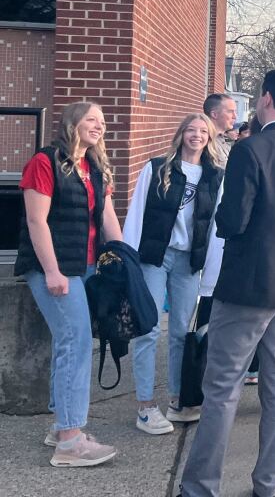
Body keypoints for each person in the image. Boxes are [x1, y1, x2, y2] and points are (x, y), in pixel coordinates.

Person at [180, 69, 275, 497]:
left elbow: (233, 221)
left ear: (266, 98)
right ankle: (268, 484)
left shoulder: (251, 150)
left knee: (221, 388)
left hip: (248, 284)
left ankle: (200, 486)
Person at [16, 101, 123, 467]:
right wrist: (52, 271)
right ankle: (70, 441)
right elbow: (36, 222)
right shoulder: (45, 162)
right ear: (72, 123)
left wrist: (123, 262)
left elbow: (108, 219)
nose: (99, 126)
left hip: (87, 264)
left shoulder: (94, 167)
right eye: (91, 119)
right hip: (54, 267)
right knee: (74, 342)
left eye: (103, 122)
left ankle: (62, 425)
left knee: (73, 342)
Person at [122, 114, 226, 435]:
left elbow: (216, 229)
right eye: (190, 130)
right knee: (148, 328)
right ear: (180, 134)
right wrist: (127, 260)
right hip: (154, 257)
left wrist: (210, 272)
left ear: (210, 137)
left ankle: (179, 400)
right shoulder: (156, 168)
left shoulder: (215, 177)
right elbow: (136, 212)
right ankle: (145, 406)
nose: (196, 136)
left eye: (202, 131)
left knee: (182, 332)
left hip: (188, 262)